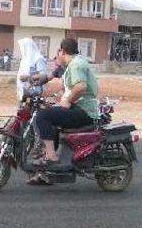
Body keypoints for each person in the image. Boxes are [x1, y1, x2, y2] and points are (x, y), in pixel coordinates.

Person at [34, 37, 99, 166]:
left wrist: (68, 100)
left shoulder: (76, 65)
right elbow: (56, 78)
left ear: (63, 52)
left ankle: (51, 157)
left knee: (42, 116)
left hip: (84, 111)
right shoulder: (72, 64)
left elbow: (81, 86)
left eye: (59, 51)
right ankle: (49, 164)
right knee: (52, 115)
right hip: (81, 108)